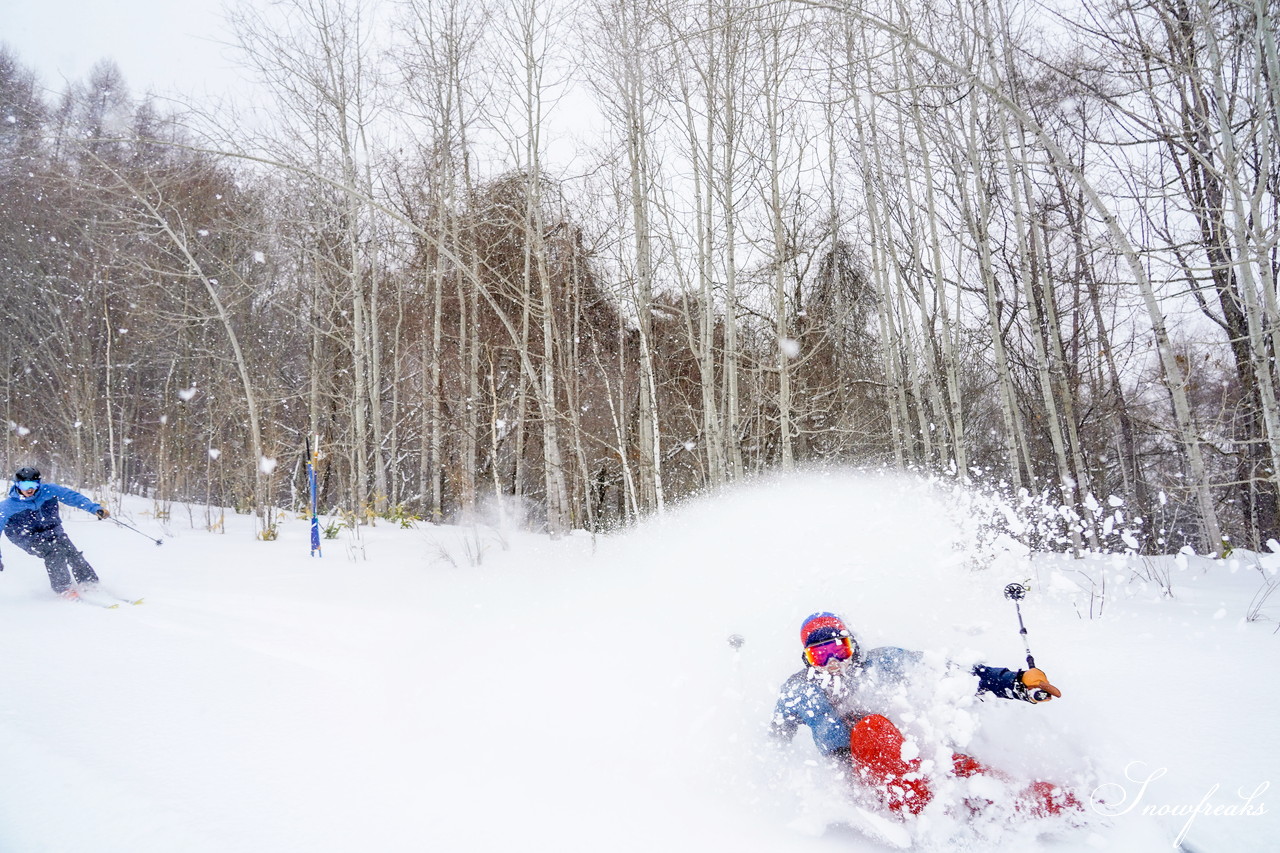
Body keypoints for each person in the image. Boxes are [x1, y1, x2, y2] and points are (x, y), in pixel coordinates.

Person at [771, 611, 1077, 817]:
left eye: (840, 649)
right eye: (820, 655)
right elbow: (776, 741)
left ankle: (1060, 807)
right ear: (808, 659)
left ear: (853, 644)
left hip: (912, 757)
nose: (833, 661)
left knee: (968, 774)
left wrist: (1015, 683)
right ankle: (928, 819)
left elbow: (952, 673)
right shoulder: (799, 691)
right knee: (869, 728)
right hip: (860, 777)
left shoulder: (884, 663)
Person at [0, 466, 110, 599]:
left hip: (53, 531)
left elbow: (73, 497)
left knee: (72, 553)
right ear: (17, 485)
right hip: (26, 536)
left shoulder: (49, 491)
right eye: (25, 485)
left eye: (33, 484)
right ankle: (63, 589)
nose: (29, 489)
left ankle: (89, 583)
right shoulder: (8, 506)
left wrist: (94, 508)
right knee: (53, 552)